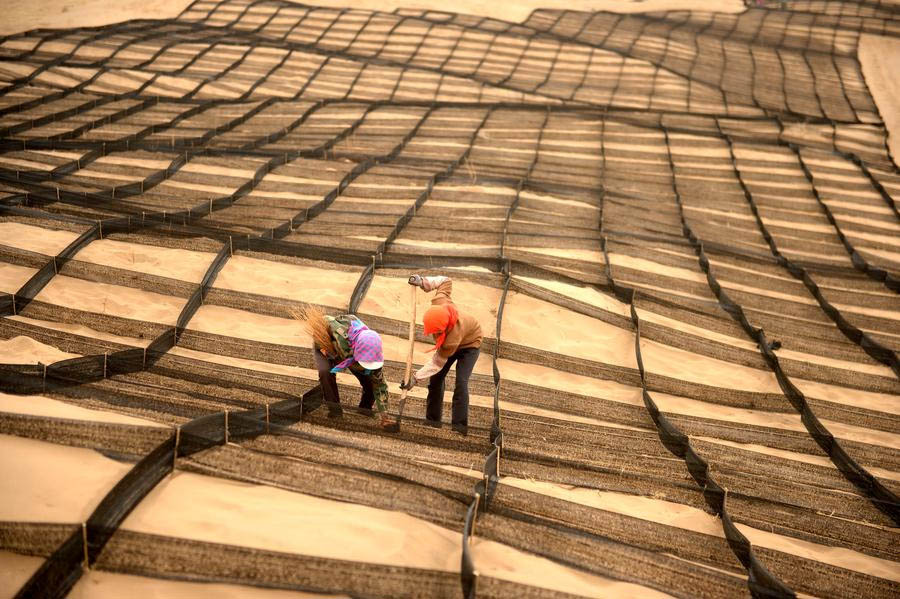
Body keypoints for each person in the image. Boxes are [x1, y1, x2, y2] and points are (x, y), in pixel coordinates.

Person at [401, 274, 482, 434]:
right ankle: (432, 421)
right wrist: (423, 281)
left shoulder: (450, 340)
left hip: (470, 343)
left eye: (437, 332)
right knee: (436, 380)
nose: (434, 335)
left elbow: (436, 363)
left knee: (461, 382)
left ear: (444, 329)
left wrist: (415, 378)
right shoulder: (440, 301)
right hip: (457, 337)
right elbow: (446, 280)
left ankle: (459, 428)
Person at [299, 306, 395, 430]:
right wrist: (324, 349)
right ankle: (335, 412)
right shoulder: (338, 332)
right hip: (328, 346)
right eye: (365, 362)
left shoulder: (373, 351)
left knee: (371, 379)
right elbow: (323, 323)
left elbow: (380, 386)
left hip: (349, 354)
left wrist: (384, 416)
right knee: (325, 374)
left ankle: (364, 409)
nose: (368, 365)